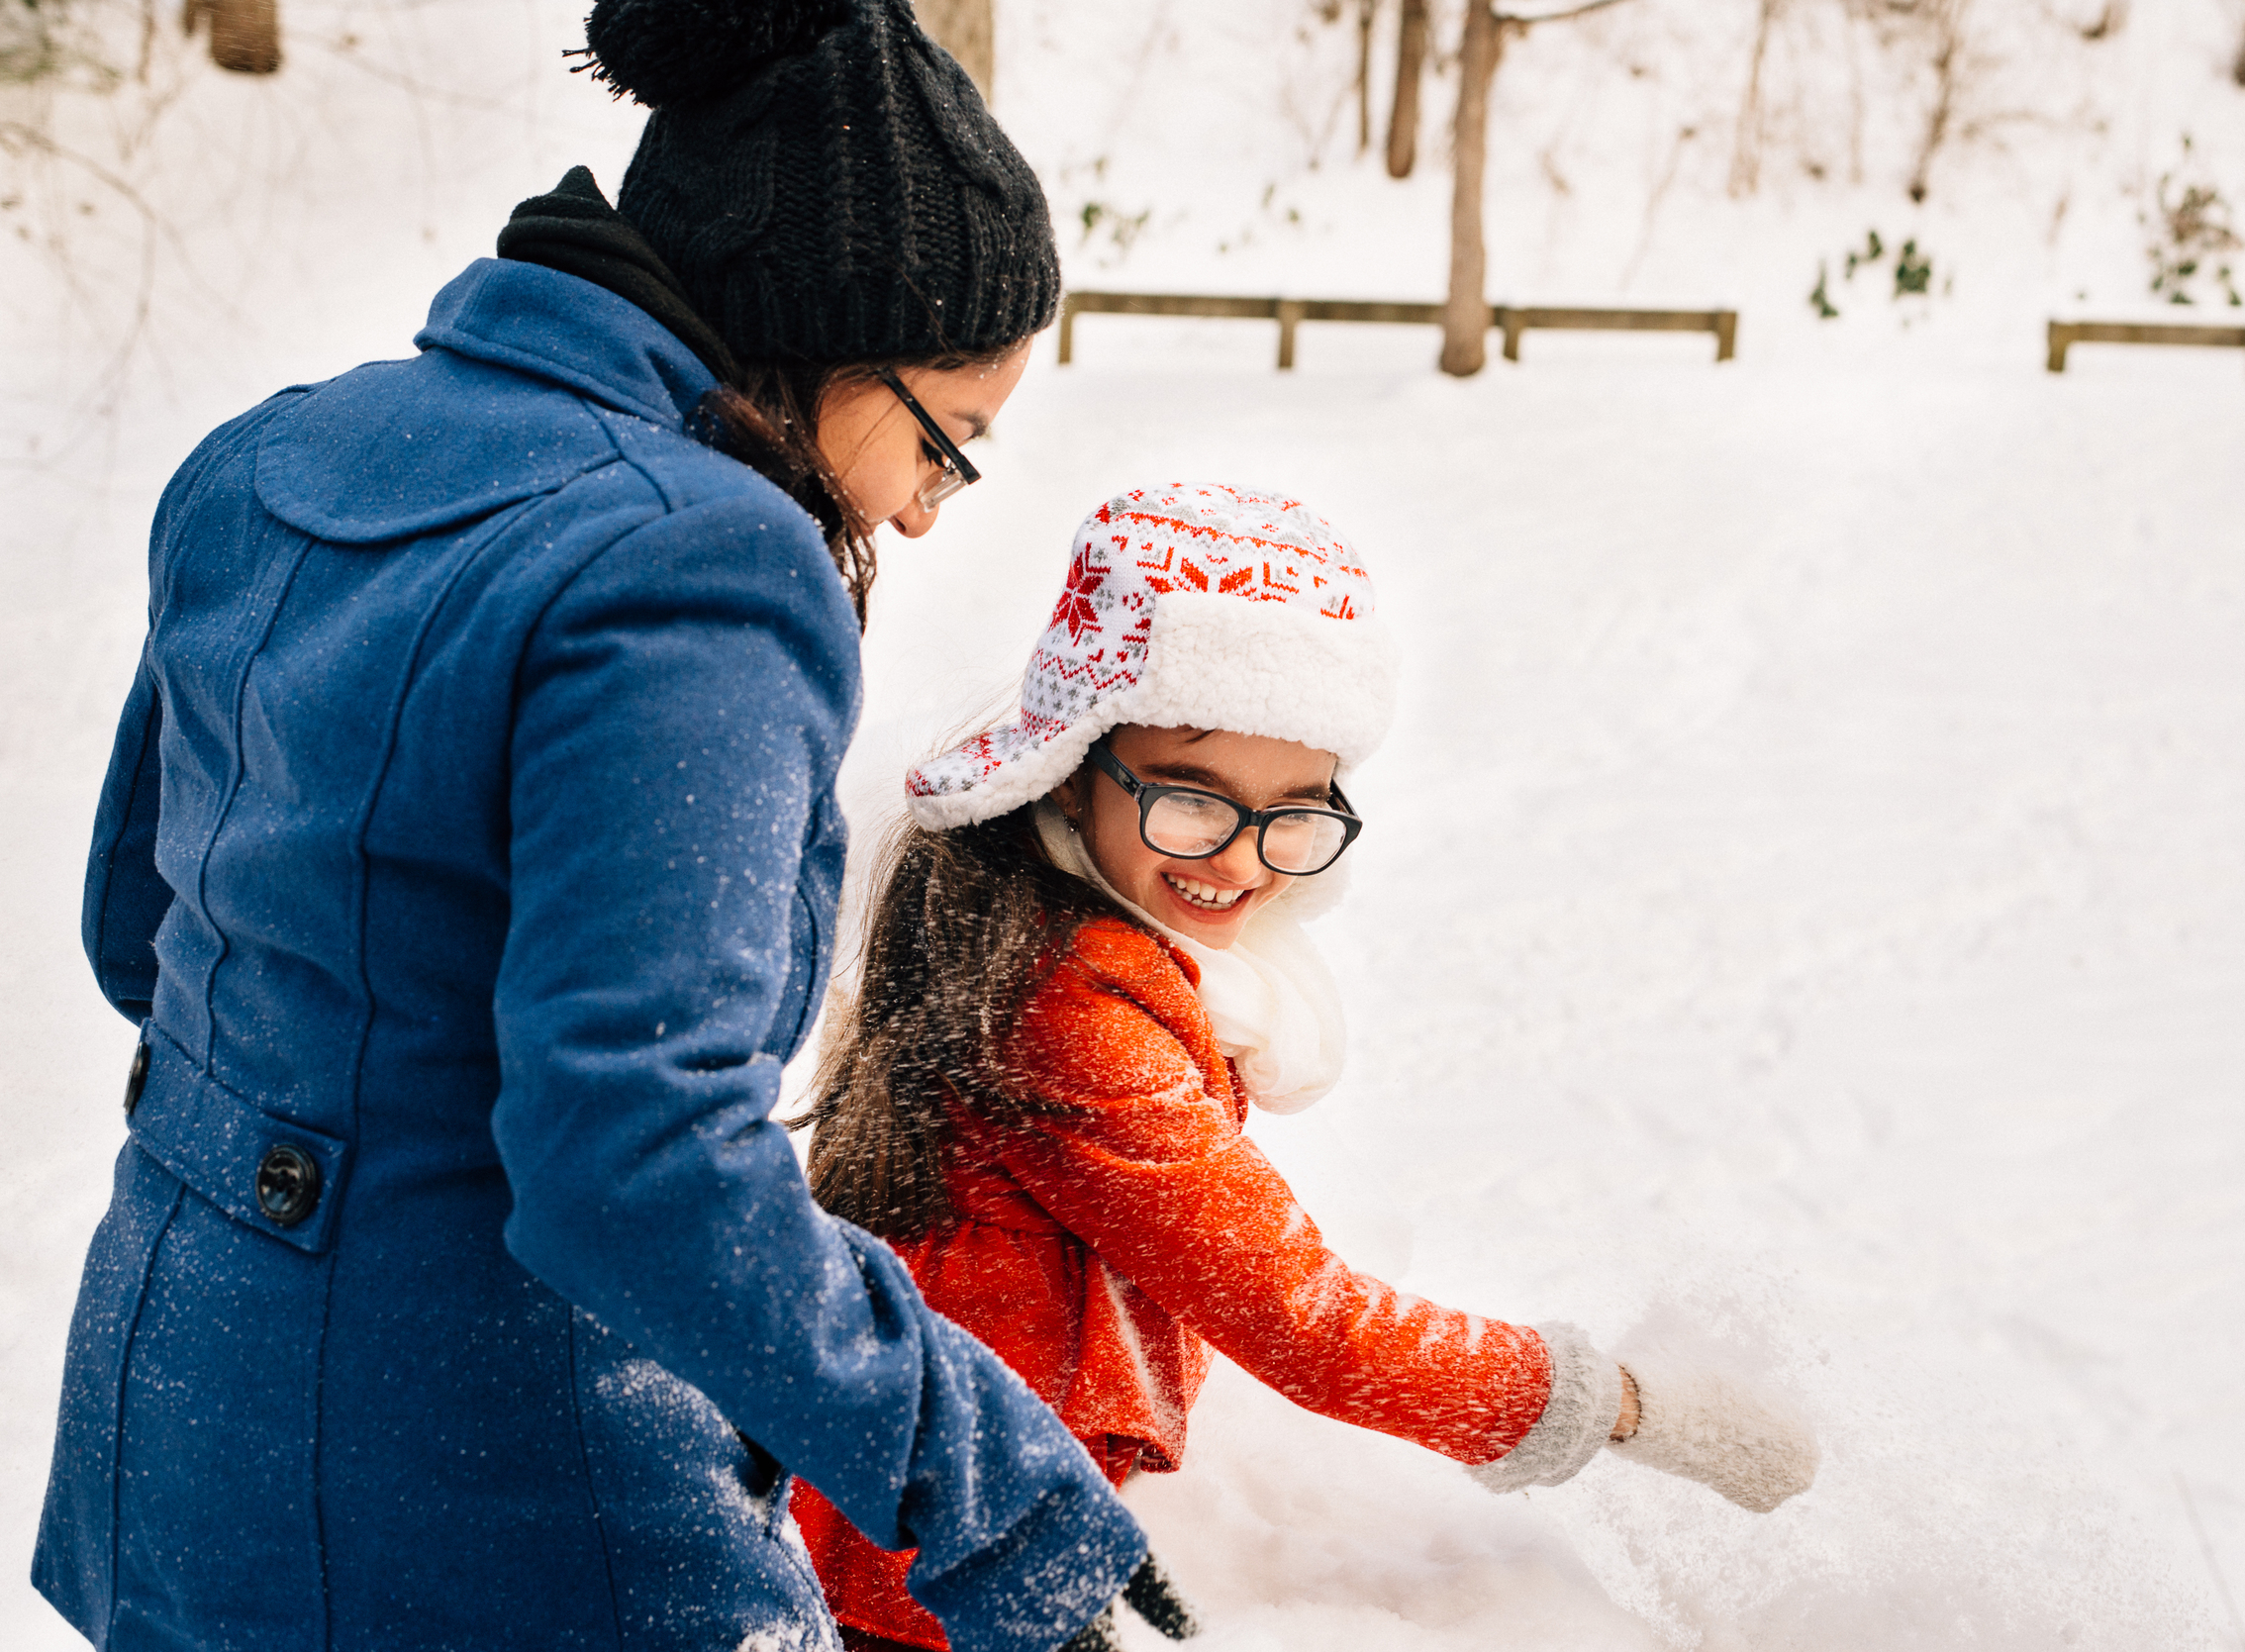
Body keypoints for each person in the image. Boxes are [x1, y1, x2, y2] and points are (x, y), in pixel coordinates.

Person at [32, 5, 1154, 1650]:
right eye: (949, 440)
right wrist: (997, 1490)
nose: (925, 503)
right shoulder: (701, 562)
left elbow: (142, 932)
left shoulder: (273, 447)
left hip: (175, 1409)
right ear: (826, 329)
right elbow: (635, 1160)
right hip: (487, 1497)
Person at [790, 482, 1821, 1650]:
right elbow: (1306, 1323)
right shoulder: (1074, 1010)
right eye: (1193, 801)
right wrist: (1631, 1407)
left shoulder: (1045, 928)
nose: (1240, 862)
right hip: (952, 1558)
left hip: (957, 1509)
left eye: (1294, 811)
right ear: (1075, 768)